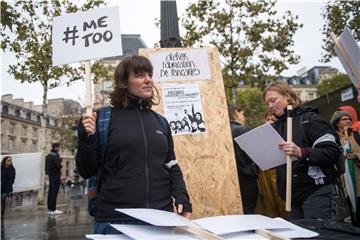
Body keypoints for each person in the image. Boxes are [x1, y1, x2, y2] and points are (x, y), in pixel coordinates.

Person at [76, 55, 192, 234]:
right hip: (116, 221)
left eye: (149, 74)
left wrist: (182, 197)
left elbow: (171, 164)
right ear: (124, 82)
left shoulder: (160, 122)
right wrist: (86, 138)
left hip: (160, 217)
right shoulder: (100, 119)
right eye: (139, 75)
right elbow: (87, 170)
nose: (148, 80)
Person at [263, 82, 340, 220]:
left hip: (316, 193)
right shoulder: (275, 128)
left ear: (288, 96)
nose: (270, 106)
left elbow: (331, 152)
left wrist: (300, 152)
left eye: (273, 100)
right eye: (267, 103)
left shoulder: (311, 120)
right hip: (290, 198)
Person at [330, 110, 360, 226]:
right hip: (344, 180)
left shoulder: (357, 135)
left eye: (349, 119)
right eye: (344, 119)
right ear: (337, 123)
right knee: (349, 206)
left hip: (358, 176)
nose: (348, 121)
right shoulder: (333, 139)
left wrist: (356, 155)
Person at [255, 112, 288, 219]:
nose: (269, 122)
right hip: (264, 173)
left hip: (279, 171)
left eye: (272, 120)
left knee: (281, 198)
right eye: (267, 119)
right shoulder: (260, 136)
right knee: (269, 200)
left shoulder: (284, 134)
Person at [228, 105, 259, 214]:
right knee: (248, 211)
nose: (244, 116)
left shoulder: (222, 132)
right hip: (246, 177)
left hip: (228, 180)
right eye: (242, 113)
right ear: (236, 112)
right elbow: (256, 154)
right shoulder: (244, 129)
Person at [45, 143, 63, 215]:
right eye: (58, 147)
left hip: (50, 175)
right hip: (55, 175)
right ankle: (53, 209)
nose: (59, 149)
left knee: (50, 192)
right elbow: (58, 165)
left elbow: (47, 166)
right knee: (54, 192)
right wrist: (60, 162)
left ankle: (50, 209)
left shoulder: (48, 155)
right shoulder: (55, 155)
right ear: (55, 147)